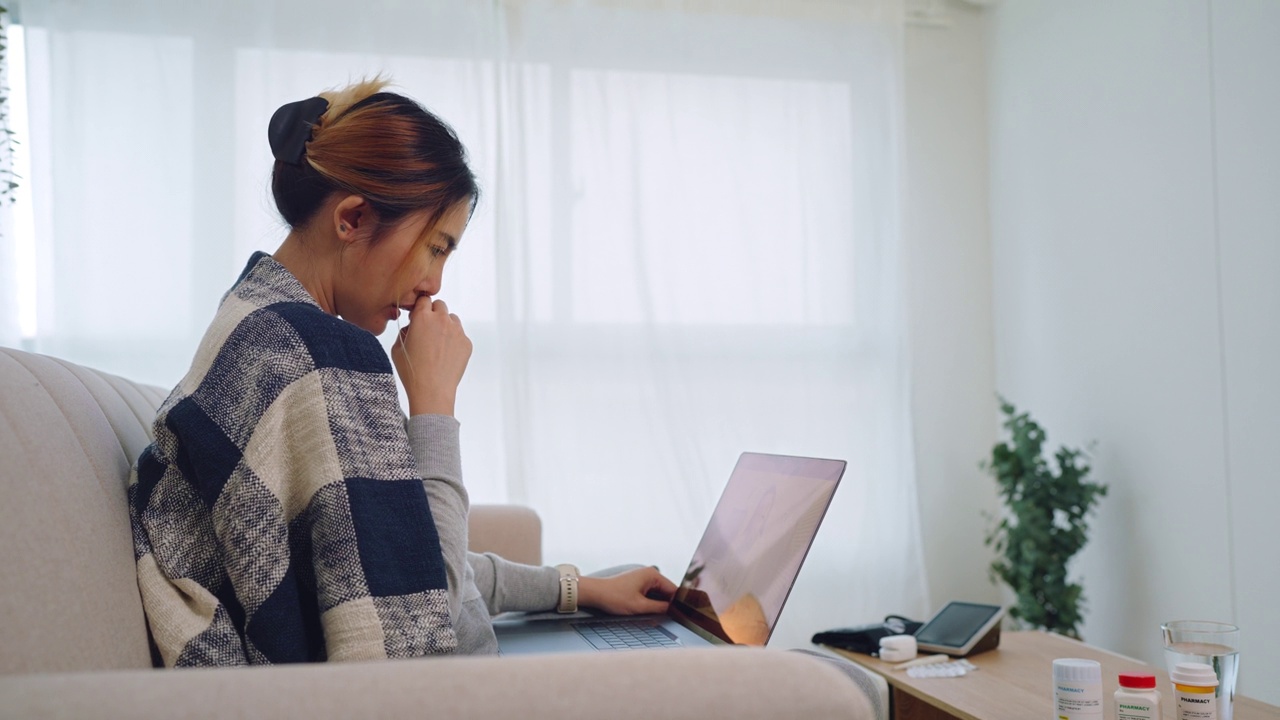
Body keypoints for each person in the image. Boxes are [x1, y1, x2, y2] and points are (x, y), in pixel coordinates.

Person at [128, 78, 676, 666]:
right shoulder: (321, 356)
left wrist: (579, 588)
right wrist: (435, 405)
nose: (434, 284)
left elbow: (396, 550)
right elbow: (420, 628)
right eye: (436, 248)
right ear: (353, 219)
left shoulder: (257, 323)